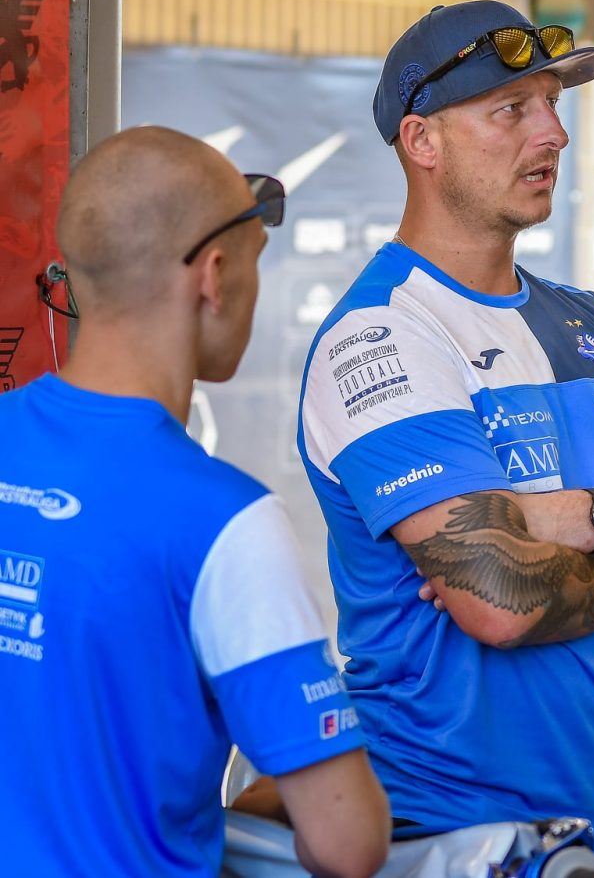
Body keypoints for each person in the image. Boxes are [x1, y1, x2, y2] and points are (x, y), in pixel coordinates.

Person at [295, 1, 594, 876]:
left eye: (552, 102)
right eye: (510, 108)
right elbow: (500, 599)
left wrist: (588, 519)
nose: (552, 132)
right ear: (422, 140)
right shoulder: (381, 334)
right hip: (460, 842)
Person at [0, 127, 390, 877]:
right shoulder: (225, 522)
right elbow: (349, 846)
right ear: (213, 275)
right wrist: (279, 787)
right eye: (254, 262)